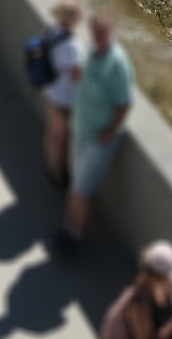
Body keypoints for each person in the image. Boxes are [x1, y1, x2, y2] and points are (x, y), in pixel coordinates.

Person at [61, 15, 132, 241]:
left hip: (98, 139)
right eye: (95, 32)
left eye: (102, 33)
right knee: (76, 185)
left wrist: (109, 132)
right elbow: (83, 78)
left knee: (82, 191)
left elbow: (124, 103)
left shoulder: (118, 63)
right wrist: (76, 75)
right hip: (80, 129)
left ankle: (76, 234)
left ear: (111, 33)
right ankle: (69, 227)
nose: (98, 37)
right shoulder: (91, 52)